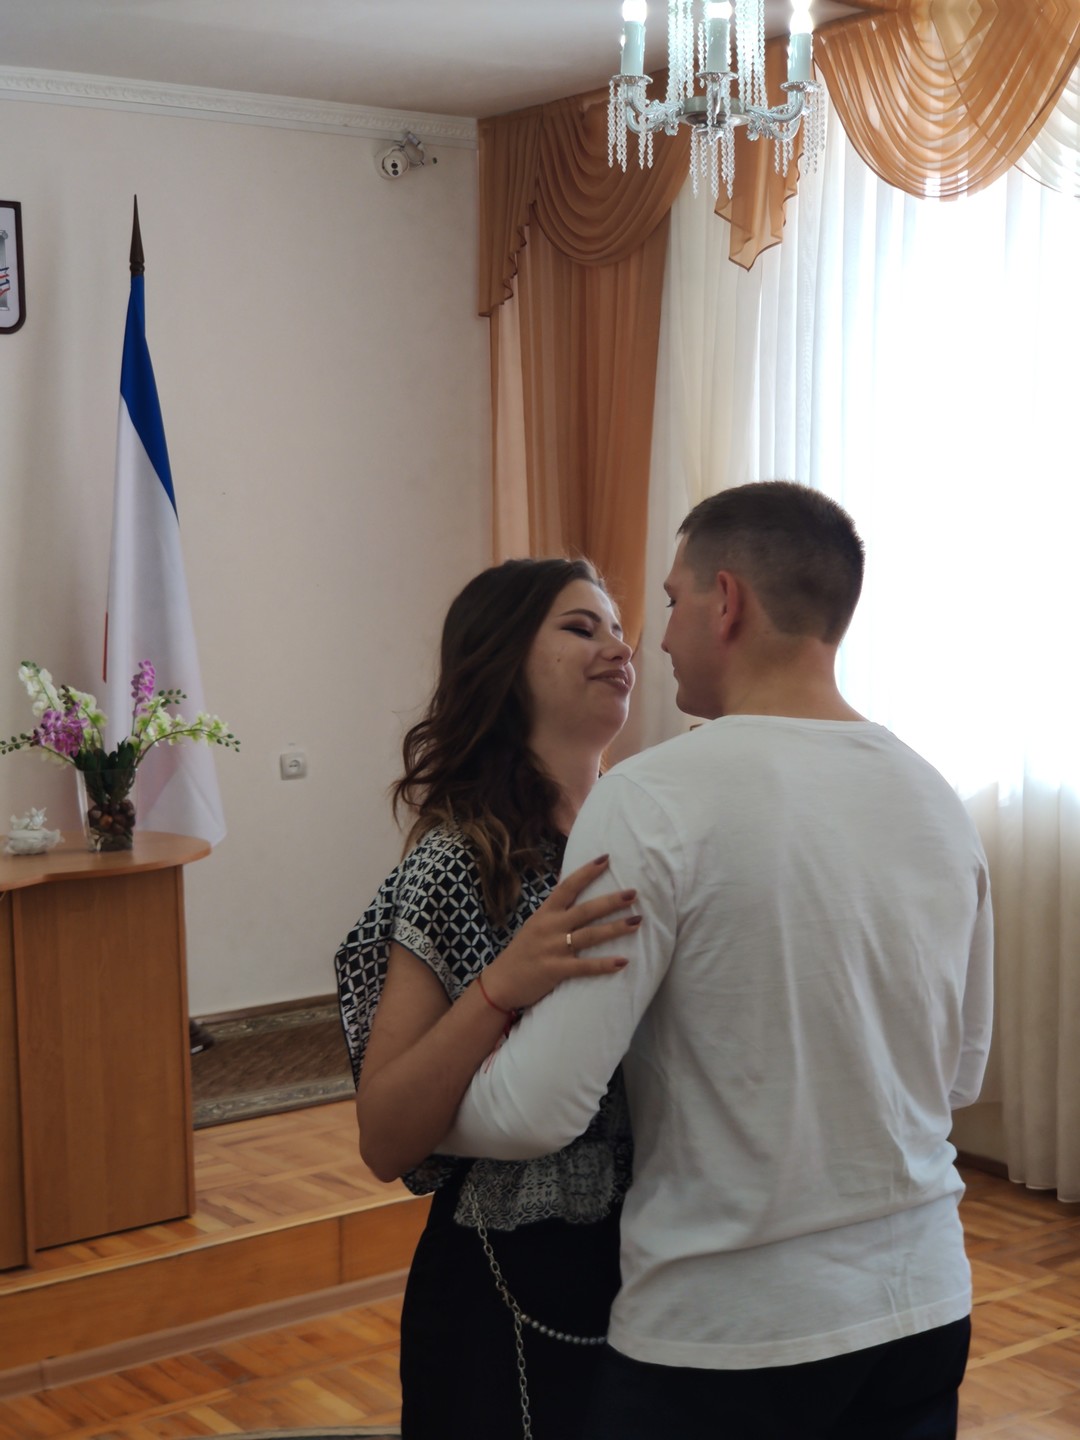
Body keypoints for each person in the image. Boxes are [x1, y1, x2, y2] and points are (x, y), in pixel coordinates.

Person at [440, 481, 994, 1440]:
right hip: (924, 1302)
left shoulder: (653, 797)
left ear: (725, 601)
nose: (654, 640)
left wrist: (413, 1113)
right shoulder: (937, 798)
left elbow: (538, 1109)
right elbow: (960, 1076)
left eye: (669, 601)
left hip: (729, 1330)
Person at [334, 556, 640, 1440]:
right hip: (507, 1293)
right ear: (504, 663)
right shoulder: (458, 861)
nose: (618, 648)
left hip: (653, 1268)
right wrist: (505, 984)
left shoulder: (644, 842)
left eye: (619, 629)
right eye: (581, 627)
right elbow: (386, 1136)